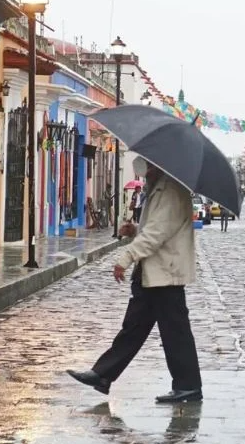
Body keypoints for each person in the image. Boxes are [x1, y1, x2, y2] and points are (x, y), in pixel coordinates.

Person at [67, 157, 203, 404]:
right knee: (133, 328)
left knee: (176, 332)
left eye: (148, 166)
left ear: (158, 166)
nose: (144, 171)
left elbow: (158, 233)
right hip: (153, 271)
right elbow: (154, 229)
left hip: (166, 273)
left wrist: (126, 256)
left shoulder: (171, 191)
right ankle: (102, 375)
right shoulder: (159, 189)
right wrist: (135, 230)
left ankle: (188, 386)